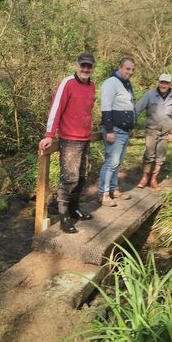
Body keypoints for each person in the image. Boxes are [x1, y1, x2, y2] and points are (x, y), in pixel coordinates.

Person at [39, 53, 96, 234]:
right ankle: (63, 217)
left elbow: (87, 111)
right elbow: (55, 109)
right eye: (83, 65)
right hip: (69, 139)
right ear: (77, 65)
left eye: (89, 66)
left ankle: (74, 209)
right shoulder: (67, 83)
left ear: (93, 67)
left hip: (85, 138)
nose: (86, 69)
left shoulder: (92, 86)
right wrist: (49, 135)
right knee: (69, 178)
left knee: (82, 176)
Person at [98, 57, 136, 207]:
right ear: (119, 68)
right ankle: (103, 194)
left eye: (132, 69)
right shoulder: (111, 83)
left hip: (125, 131)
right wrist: (109, 130)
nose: (130, 72)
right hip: (115, 130)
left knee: (117, 162)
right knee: (111, 162)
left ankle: (114, 189)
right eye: (128, 69)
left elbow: (129, 106)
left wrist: (131, 127)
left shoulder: (126, 84)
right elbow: (106, 107)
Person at [135, 73, 172, 190]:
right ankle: (145, 177)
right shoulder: (150, 94)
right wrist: (131, 124)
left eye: (166, 83)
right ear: (159, 82)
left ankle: (153, 179)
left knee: (160, 157)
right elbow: (137, 108)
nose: (163, 85)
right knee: (149, 154)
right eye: (161, 82)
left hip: (166, 132)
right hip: (151, 130)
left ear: (170, 84)